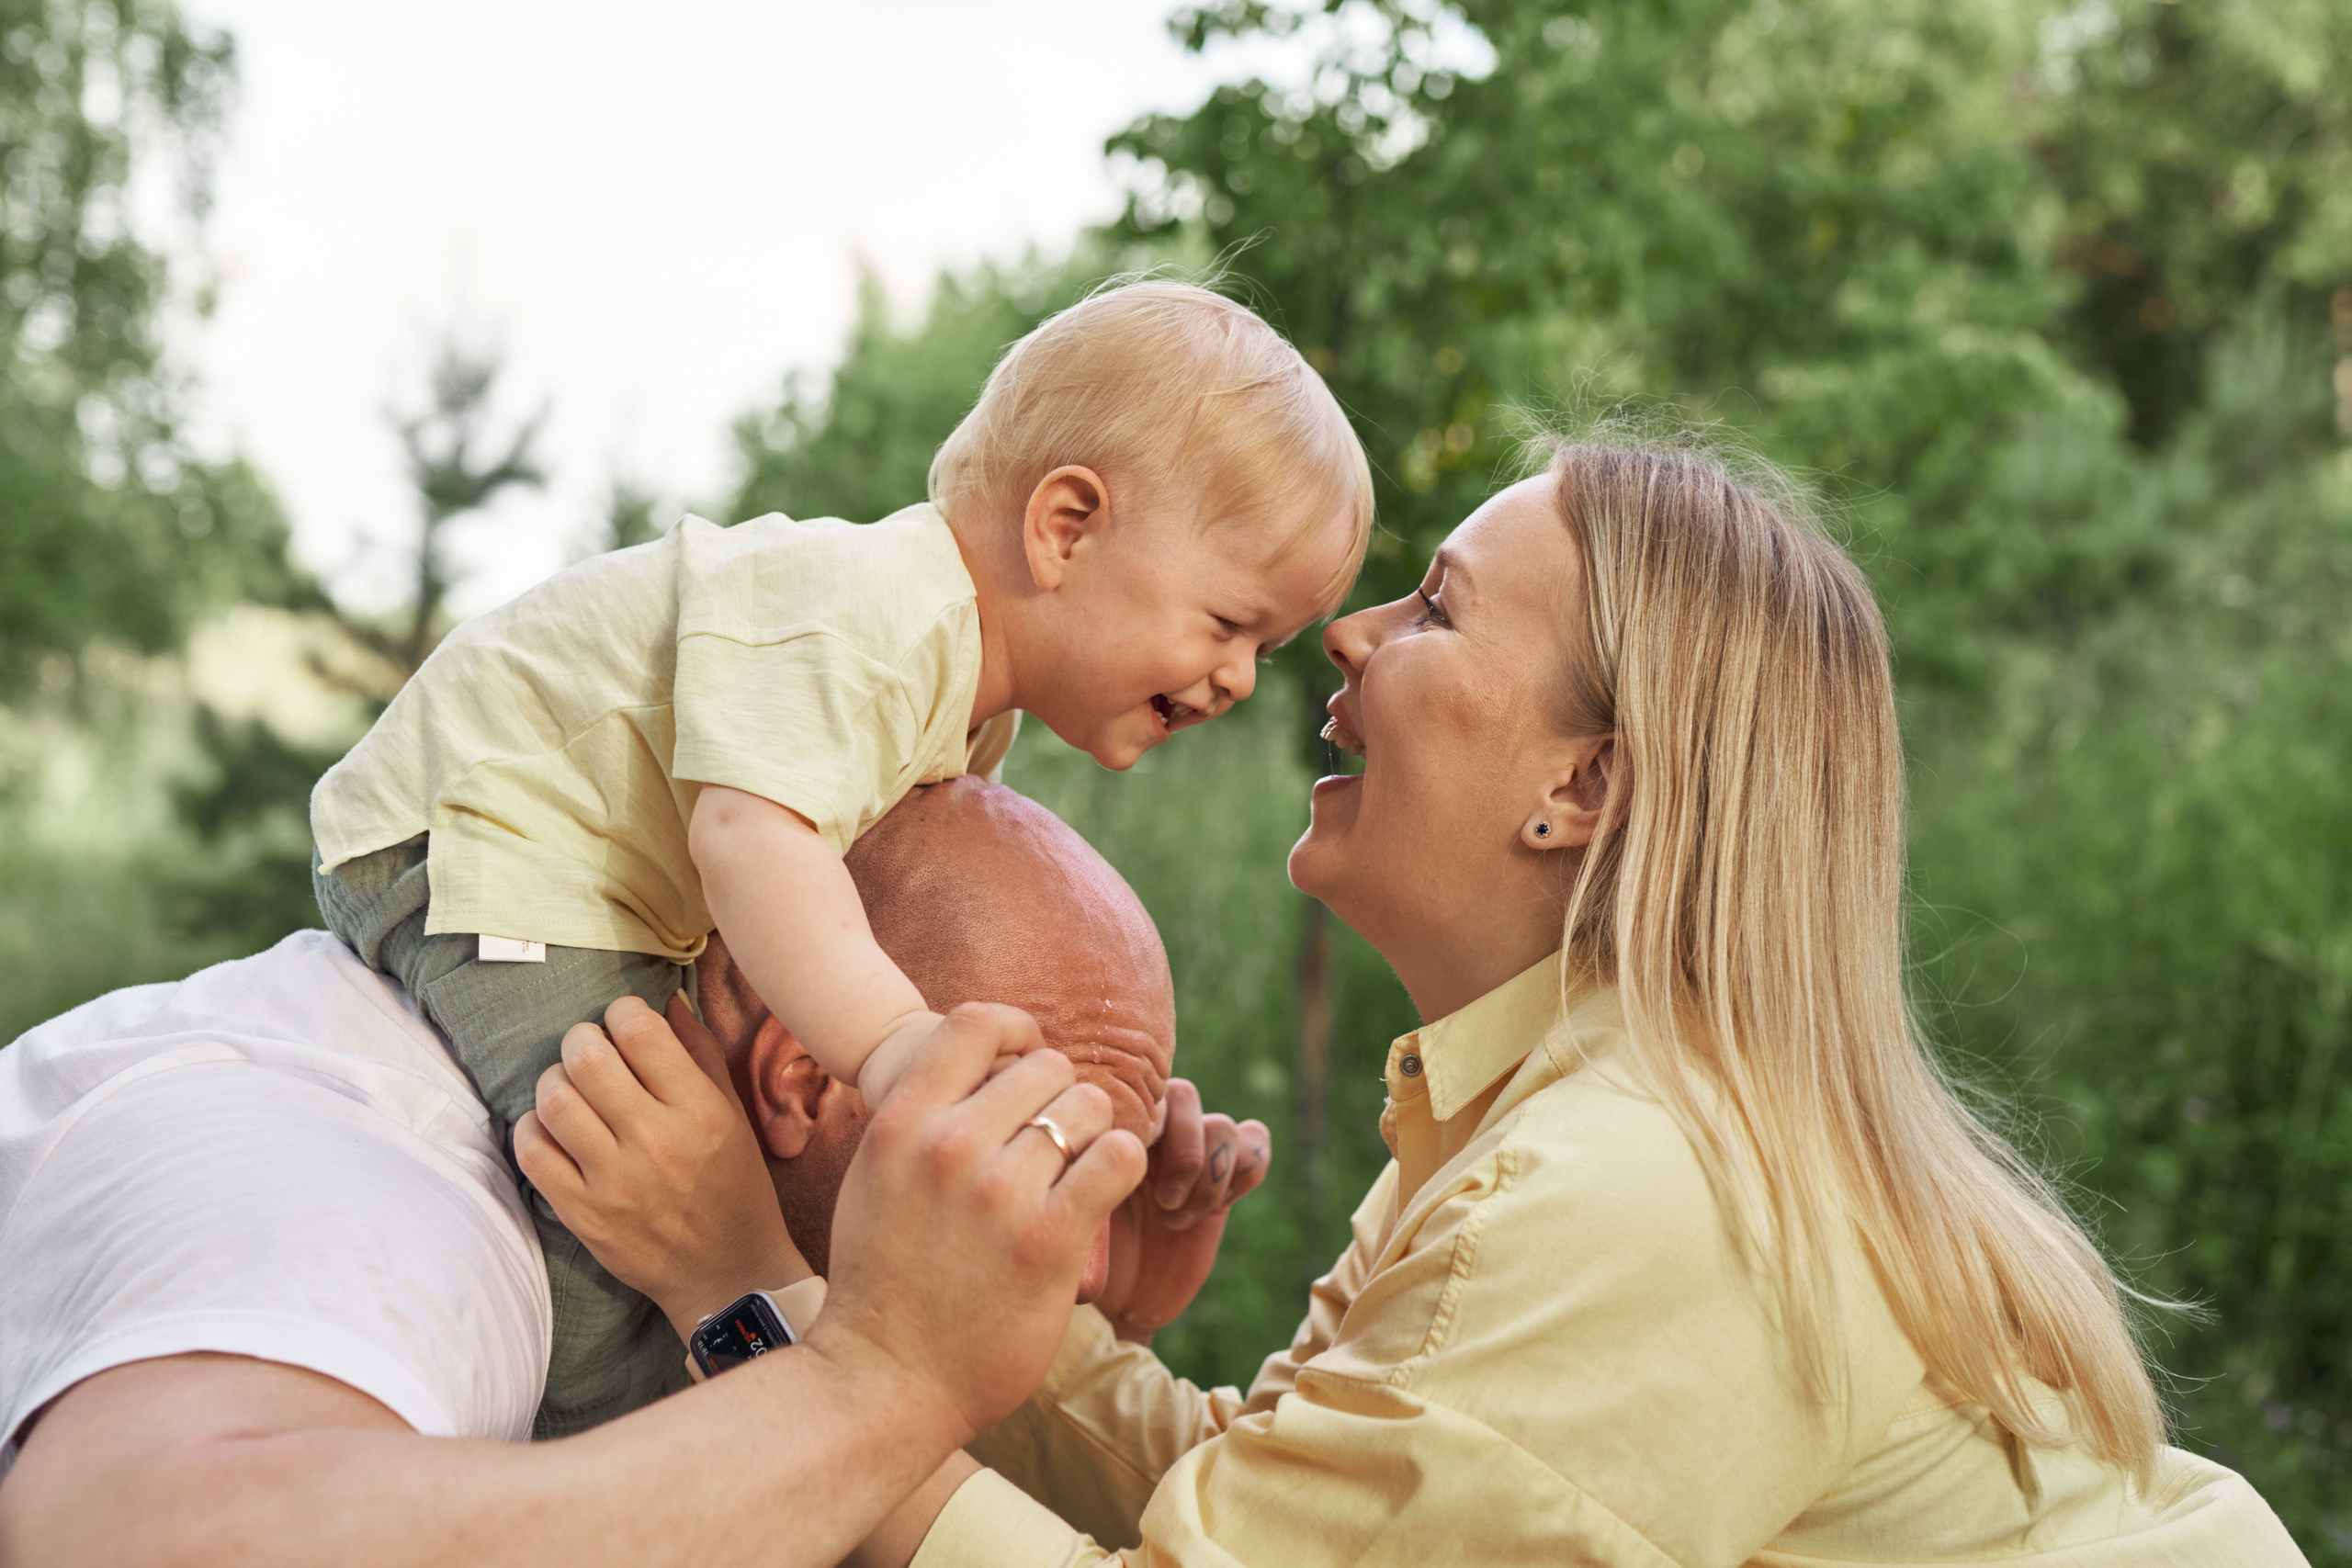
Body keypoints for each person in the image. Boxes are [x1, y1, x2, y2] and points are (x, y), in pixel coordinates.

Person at [552, 439, 2307, 1562]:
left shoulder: (1637, 1191)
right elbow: (1253, 1505)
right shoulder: (1548, 1113)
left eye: (1437, 610)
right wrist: (1023, 1298)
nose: (1349, 633)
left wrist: (753, 1291)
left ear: (1582, 786)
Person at [307, 278, 1366, 1431]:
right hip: (487, 843)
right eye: (1228, 624)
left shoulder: (967, 699)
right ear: (1066, 527)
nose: (1238, 678)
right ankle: (565, 1470)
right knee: (610, 1189)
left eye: (1267, 646)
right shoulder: (870, 618)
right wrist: (893, 1043)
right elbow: (751, 838)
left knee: (692, 1166)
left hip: (581, 878)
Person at [0, 781, 1265, 1566]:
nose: (1080, 1260)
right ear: (806, 1080)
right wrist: (876, 1383)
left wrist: (1085, 1338)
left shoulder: (631, 1249)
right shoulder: (388, 1171)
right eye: (1045, 1143)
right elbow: (124, 1538)